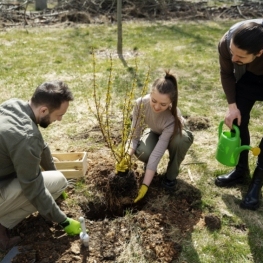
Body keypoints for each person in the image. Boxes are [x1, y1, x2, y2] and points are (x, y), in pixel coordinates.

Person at [0, 81, 82, 252]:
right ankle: (2, 225)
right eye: (59, 115)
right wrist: (63, 221)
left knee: (54, 180)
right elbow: (34, 189)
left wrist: (52, 171)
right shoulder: (26, 137)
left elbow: (42, 147)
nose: (59, 120)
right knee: (55, 183)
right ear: (44, 110)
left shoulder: (13, 106)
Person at [215, 18, 263, 210]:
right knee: (237, 121)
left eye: (240, 57)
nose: (234, 58)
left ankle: (257, 182)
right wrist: (232, 106)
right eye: (232, 53)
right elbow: (226, 73)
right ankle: (241, 170)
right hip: (249, 78)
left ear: (259, 52)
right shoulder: (227, 43)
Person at [125, 71, 193, 203]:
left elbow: (158, 153)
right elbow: (134, 136)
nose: (156, 107)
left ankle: (170, 177)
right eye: (154, 101)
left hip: (177, 134)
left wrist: (145, 186)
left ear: (171, 102)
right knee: (144, 152)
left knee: (180, 141)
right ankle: (150, 169)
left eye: (163, 104)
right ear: (150, 94)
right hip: (156, 131)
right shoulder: (140, 104)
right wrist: (126, 157)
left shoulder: (173, 117)